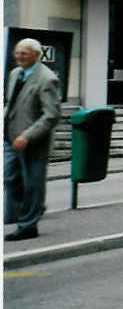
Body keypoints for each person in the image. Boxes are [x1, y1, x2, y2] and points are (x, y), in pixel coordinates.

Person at [4, 38, 61, 241]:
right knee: (9, 178)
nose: (18, 56)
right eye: (17, 52)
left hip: (33, 142)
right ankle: (34, 208)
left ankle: (29, 225)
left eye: (24, 53)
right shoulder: (14, 73)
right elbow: (11, 104)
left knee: (33, 183)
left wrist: (28, 136)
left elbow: (52, 115)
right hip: (10, 137)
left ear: (36, 56)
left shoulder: (47, 79)